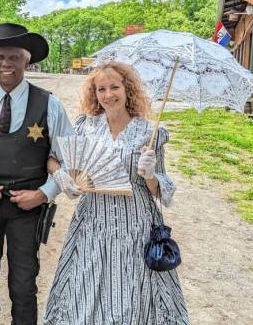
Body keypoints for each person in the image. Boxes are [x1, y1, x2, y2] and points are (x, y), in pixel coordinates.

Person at [43, 61, 189, 324]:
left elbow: (161, 191)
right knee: (85, 293)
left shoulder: (148, 132)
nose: (108, 95)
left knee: (131, 299)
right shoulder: (85, 126)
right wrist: (61, 177)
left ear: (127, 89)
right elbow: (53, 158)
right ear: (94, 93)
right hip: (92, 226)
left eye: (114, 87)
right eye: (101, 89)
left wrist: (150, 175)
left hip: (135, 228)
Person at [0, 23, 73, 325]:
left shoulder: (50, 104)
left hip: (28, 208)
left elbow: (68, 160)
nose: (5, 64)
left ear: (28, 60)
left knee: (23, 285)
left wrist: (43, 194)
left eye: (14, 57)